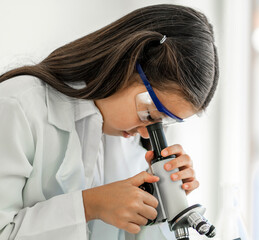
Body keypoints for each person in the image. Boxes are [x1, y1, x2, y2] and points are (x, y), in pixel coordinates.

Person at [0, 4, 219, 240]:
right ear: (127, 65)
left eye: (162, 123)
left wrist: (159, 201)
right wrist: (89, 205)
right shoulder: (16, 105)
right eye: (150, 115)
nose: (147, 134)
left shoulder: (122, 142)